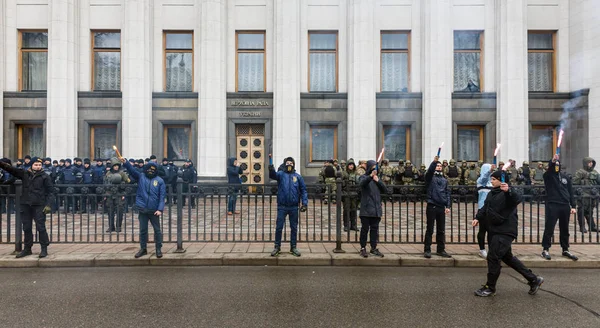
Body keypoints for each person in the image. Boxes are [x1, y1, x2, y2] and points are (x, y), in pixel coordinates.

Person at [472, 170, 544, 297]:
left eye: (494, 179)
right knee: (507, 258)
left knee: (493, 257)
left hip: (504, 231)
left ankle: (490, 287)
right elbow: (485, 207)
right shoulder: (492, 193)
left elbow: (516, 199)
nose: (492, 181)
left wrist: (508, 191)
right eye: (492, 179)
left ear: (501, 180)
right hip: (494, 230)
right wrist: (477, 218)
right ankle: (533, 279)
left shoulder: (508, 193)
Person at [0, 157, 55, 258]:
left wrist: (48, 205)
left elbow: (51, 192)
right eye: (36, 165)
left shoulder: (45, 177)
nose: (38, 167)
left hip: (39, 205)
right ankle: (27, 248)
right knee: (26, 227)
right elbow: (11, 170)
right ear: (32, 165)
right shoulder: (25, 174)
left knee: (40, 227)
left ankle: (44, 248)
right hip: (25, 204)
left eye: (39, 165)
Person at [121, 158, 166, 258]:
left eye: (153, 169)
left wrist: (160, 209)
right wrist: (126, 163)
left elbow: (162, 196)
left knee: (157, 230)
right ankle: (143, 249)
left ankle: (158, 248)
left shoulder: (160, 181)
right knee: (143, 230)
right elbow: (132, 170)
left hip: (154, 210)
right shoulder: (141, 177)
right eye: (149, 169)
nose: (150, 171)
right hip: (143, 208)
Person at [268, 157, 308, 257]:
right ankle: (277, 247)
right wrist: (271, 166)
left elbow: (303, 190)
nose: (289, 164)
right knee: (279, 227)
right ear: (284, 164)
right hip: (282, 206)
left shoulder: (298, 177)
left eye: (291, 163)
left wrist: (304, 203)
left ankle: (293, 247)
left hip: (294, 207)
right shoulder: (281, 175)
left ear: (293, 164)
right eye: (287, 163)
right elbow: (273, 175)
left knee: (294, 228)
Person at [541, 154, 578, 261]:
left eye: (558, 164)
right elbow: (549, 172)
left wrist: (573, 205)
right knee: (549, 227)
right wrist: (552, 161)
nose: (557, 166)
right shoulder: (549, 176)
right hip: (553, 204)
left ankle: (565, 248)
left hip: (565, 205)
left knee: (565, 228)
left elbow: (570, 192)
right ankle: (545, 249)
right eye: (555, 165)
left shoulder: (565, 177)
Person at [424, 156, 452, 258]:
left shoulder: (444, 180)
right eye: (437, 166)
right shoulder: (430, 178)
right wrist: (434, 162)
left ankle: (441, 249)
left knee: (441, 229)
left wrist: (448, 206)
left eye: (440, 166)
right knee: (430, 229)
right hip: (432, 205)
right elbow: (429, 172)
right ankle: (427, 249)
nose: (439, 167)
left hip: (441, 206)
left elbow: (447, 193)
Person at [358, 160, 386, 258]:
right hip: (366, 210)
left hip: (376, 209)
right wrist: (370, 177)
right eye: (373, 167)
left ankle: (373, 248)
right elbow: (362, 184)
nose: (375, 169)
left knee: (375, 230)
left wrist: (378, 181)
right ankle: (363, 247)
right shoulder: (364, 177)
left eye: (376, 167)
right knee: (365, 229)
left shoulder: (377, 179)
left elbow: (385, 190)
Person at [573, 157, 599, 233]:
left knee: (590, 211)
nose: (591, 164)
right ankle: (582, 227)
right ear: (585, 163)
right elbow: (575, 183)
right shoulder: (580, 172)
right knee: (582, 211)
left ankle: (592, 226)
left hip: (592, 195)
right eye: (589, 162)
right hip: (583, 194)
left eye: (592, 162)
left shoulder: (595, 172)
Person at [104, 158, 130, 233]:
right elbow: (105, 182)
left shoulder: (122, 173)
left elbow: (128, 181)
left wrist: (123, 190)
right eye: (115, 166)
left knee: (119, 210)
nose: (116, 167)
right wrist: (106, 193)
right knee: (110, 210)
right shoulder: (108, 173)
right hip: (110, 193)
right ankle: (111, 226)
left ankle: (118, 226)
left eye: (117, 166)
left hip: (119, 193)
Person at [475, 163, 495, 258]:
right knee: (482, 230)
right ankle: (482, 249)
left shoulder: (492, 182)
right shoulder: (480, 181)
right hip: (482, 208)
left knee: (491, 231)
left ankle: (492, 249)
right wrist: (489, 171)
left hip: (492, 208)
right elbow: (484, 178)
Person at [341, 159, 358, 232]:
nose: (351, 166)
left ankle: (353, 225)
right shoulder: (344, 173)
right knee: (346, 210)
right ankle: (346, 225)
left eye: (352, 165)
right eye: (350, 165)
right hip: (346, 193)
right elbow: (339, 184)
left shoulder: (356, 174)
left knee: (354, 210)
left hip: (354, 194)